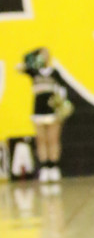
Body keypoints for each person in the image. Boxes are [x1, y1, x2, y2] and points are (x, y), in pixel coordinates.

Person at [16, 47, 72, 183]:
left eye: (46, 54)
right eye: (41, 55)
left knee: (53, 139)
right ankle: (45, 168)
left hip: (52, 110)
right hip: (38, 110)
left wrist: (61, 104)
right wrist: (30, 58)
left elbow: (64, 88)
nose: (45, 57)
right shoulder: (34, 72)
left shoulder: (54, 72)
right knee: (41, 140)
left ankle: (53, 167)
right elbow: (18, 67)